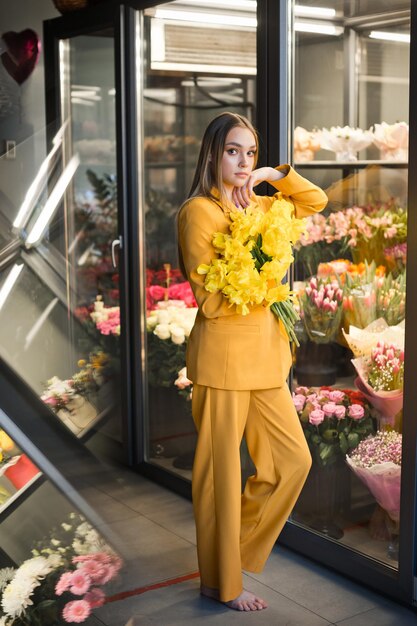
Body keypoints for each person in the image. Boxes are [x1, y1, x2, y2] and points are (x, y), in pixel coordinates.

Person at [177, 112, 328, 612]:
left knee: (292, 463)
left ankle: (225, 554)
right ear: (213, 154)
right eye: (233, 152)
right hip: (222, 363)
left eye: (251, 153)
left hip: (266, 359)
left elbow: (315, 200)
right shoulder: (199, 212)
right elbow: (213, 300)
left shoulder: (263, 204)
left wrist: (273, 177)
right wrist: (265, 275)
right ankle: (222, 582)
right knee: (218, 475)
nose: (243, 162)